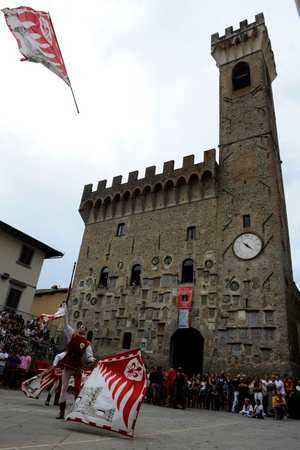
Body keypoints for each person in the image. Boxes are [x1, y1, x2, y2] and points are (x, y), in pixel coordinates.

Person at [56, 304, 95, 419]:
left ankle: (75, 410)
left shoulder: (87, 343)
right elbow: (66, 324)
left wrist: (92, 359)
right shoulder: (72, 335)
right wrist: (65, 312)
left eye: (84, 327)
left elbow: (89, 356)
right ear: (79, 329)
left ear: (85, 331)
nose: (82, 328)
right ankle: (61, 411)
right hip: (68, 364)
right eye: (81, 326)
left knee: (77, 388)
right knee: (63, 387)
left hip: (77, 366)